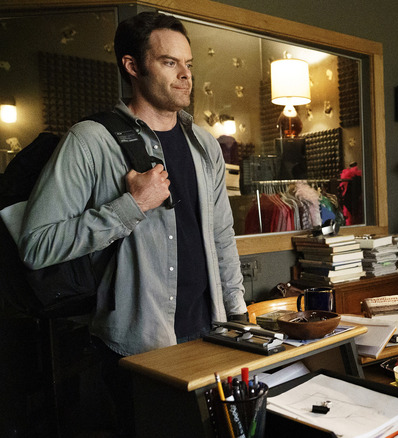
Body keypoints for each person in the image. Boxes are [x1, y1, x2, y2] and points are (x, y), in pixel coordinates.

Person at [19, 12, 247, 433]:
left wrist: (238, 315)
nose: (185, 75)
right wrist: (132, 205)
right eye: (169, 63)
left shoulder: (205, 145)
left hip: (211, 334)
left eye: (188, 64)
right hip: (138, 345)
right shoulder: (90, 140)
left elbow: (221, 236)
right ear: (132, 66)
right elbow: (36, 245)